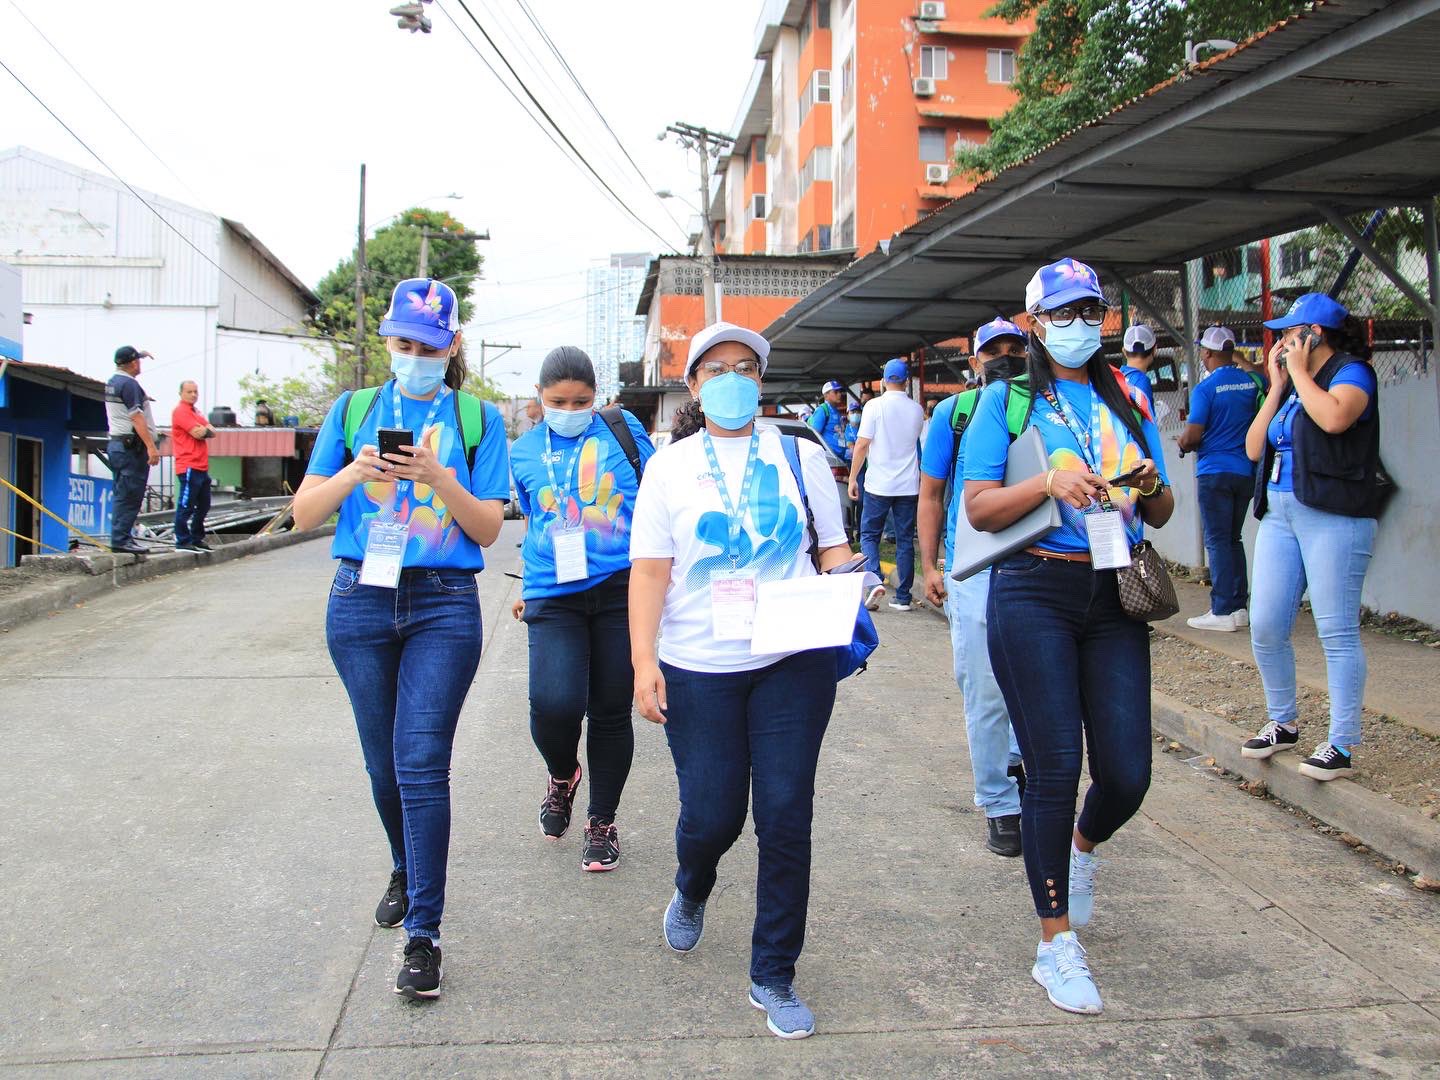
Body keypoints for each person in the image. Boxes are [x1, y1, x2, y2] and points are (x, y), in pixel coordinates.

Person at [628, 321, 856, 1040]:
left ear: (761, 381)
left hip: (794, 659)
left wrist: (856, 583)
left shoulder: (802, 453)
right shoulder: (669, 466)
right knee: (714, 816)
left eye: (747, 368)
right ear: (694, 385)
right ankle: (693, 883)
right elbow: (651, 571)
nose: (733, 378)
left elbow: (834, 550)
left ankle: (774, 973)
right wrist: (643, 662)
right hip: (699, 665)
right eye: (717, 368)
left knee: (786, 813)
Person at [963, 258, 1174, 1016]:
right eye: (1064, 313)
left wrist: (1148, 485)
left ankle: (1081, 851)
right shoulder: (1007, 400)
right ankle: (1055, 945)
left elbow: (1163, 512)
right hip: (1033, 590)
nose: (1081, 324)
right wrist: (1047, 484)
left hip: (1116, 591)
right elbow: (980, 510)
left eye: (1092, 310)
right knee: (1054, 767)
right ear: (1033, 325)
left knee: (1127, 775)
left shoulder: (1128, 398)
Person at [292, 277, 510, 1001]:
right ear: (388, 342)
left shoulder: (478, 419)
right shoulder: (353, 410)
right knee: (383, 768)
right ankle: (403, 863)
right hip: (360, 599)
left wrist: (439, 476)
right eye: (401, 342)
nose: (412, 355)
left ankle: (425, 931)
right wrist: (357, 469)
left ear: (451, 346)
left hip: (443, 604)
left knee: (420, 765)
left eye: (426, 344)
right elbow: (302, 514)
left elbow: (485, 527)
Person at [508, 346, 654, 871]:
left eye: (581, 401)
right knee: (553, 703)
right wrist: (526, 583)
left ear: (598, 397)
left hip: (621, 587)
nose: (570, 409)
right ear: (539, 399)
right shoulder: (523, 452)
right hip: (553, 590)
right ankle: (562, 772)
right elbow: (535, 520)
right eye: (558, 401)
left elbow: (656, 501)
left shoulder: (623, 431)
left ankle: (602, 822)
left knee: (611, 709)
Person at [1239, 294, 1380, 782]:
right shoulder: (1291, 385)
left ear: (1313, 334)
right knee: (1266, 624)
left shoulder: (1351, 373)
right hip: (1280, 515)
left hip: (1334, 516)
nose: (1279, 341)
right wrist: (1277, 385)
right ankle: (1283, 721)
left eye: (1288, 333)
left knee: (1336, 630)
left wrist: (1298, 374)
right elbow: (1255, 447)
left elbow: (1336, 418)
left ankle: (1340, 744)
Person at [919, 318, 1028, 858]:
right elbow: (931, 493)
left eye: (1015, 348)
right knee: (983, 687)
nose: (1005, 358)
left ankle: (1014, 763)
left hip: (1037, 563)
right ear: (975, 361)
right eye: (994, 351)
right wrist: (930, 564)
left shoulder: (1044, 406)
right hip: (974, 568)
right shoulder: (953, 414)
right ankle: (1000, 804)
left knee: (1029, 682)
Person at [1178, 325, 1264, 632]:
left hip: (1214, 472)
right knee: (1233, 539)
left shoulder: (1205, 388)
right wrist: (1241, 360)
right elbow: (1263, 374)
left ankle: (1223, 610)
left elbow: (1193, 435)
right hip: (1245, 472)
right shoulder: (1252, 381)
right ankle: (1239, 607)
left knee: (1216, 541)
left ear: (1207, 354)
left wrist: (1181, 442)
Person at [849, 359, 924, 611]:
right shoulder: (916, 409)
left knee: (870, 534)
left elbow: (861, 445)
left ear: (883, 381)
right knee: (904, 540)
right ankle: (903, 597)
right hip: (908, 485)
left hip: (878, 485)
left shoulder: (874, 406)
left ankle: (874, 582)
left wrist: (852, 478)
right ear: (905, 381)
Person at [105, 346, 160, 555]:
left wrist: (141, 353)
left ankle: (122, 537)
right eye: (138, 360)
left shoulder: (114, 381)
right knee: (130, 494)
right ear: (134, 363)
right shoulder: (129, 385)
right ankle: (121, 540)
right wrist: (151, 447)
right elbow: (137, 417)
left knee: (123, 492)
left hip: (118, 445)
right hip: (130, 448)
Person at [171, 381, 216, 552]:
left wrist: (205, 430)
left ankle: (197, 538)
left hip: (202, 466)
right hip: (188, 465)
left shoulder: (195, 412)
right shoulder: (180, 411)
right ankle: (182, 541)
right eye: (189, 391)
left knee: (204, 505)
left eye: (195, 391)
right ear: (181, 393)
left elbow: (211, 430)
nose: (193, 395)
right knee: (186, 505)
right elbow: (198, 432)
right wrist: (204, 430)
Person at [1119, 325, 1158, 416]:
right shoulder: (1142, 382)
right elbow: (1146, 422)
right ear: (1155, 350)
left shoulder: (1116, 377)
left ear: (1124, 351)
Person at [808, 380, 851, 461]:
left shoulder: (836, 411)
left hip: (840, 457)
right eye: (835, 392)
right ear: (826, 395)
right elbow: (814, 435)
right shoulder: (822, 410)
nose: (839, 394)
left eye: (840, 391)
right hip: (829, 458)